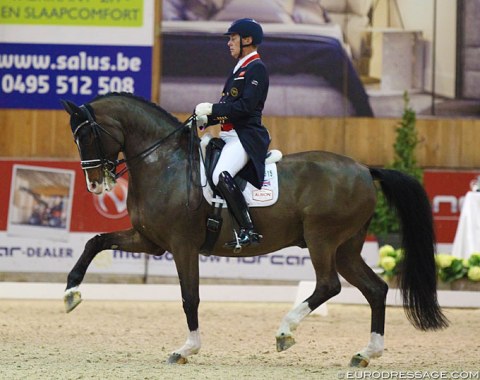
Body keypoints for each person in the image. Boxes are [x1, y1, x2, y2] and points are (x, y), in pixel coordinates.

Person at [194, 18, 270, 250]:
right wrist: (207, 119)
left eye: (233, 38)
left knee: (220, 174)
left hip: (244, 137)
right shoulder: (239, 68)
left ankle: (248, 229)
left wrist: (213, 109)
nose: (229, 43)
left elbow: (245, 108)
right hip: (228, 135)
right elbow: (230, 106)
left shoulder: (256, 68)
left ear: (247, 40)